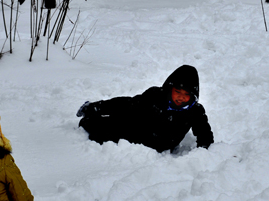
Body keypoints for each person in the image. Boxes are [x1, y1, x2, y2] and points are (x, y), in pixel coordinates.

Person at [77, 65, 213, 153]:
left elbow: (204, 133)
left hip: (160, 145)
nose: (181, 97)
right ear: (170, 88)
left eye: (186, 95)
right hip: (136, 133)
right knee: (98, 128)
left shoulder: (195, 111)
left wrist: (204, 151)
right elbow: (127, 104)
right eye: (178, 91)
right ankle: (89, 113)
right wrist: (96, 107)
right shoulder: (156, 96)